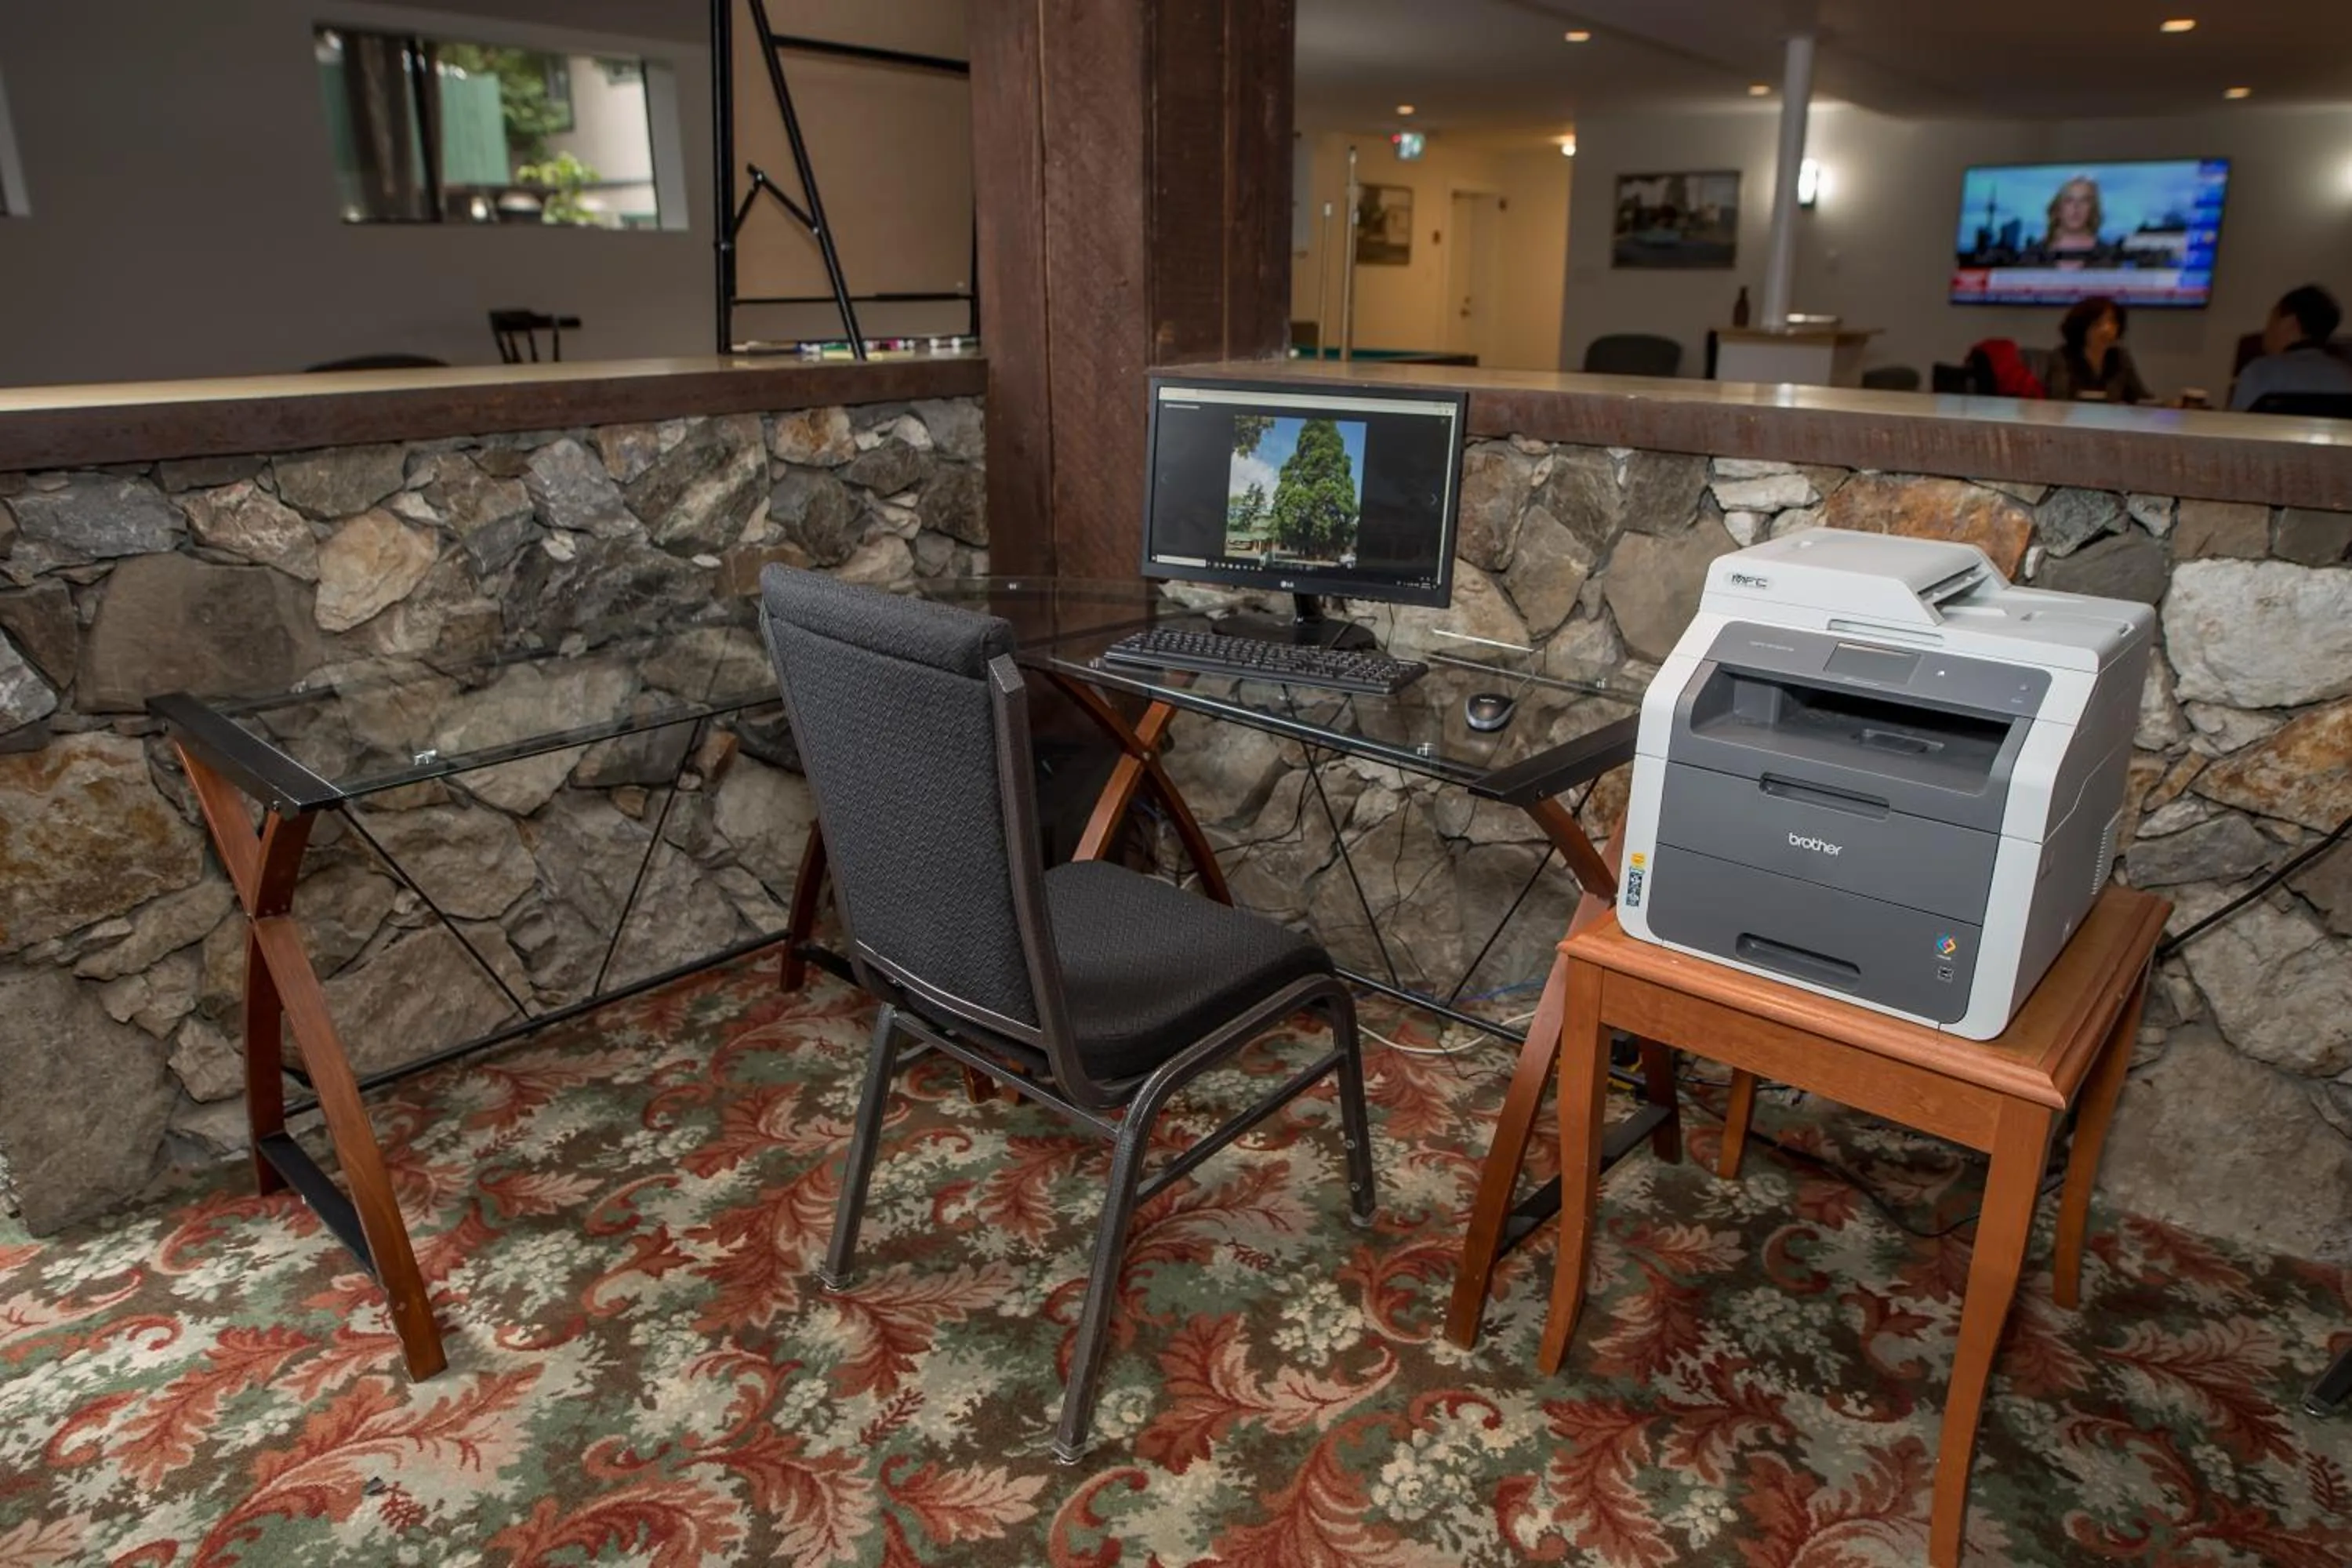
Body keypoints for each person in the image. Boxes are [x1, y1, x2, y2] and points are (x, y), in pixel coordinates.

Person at [2228, 285, 2352, 411]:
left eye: (2272, 320)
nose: (2266, 332)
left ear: (2290, 323)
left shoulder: (2259, 371)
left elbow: (2235, 428)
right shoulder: (2347, 376)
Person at [2044, 296, 2150, 404]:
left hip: (2111, 419)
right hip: (2075, 419)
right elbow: (2059, 400)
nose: (2107, 329)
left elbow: (2141, 398)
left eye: (2112, 322)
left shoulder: (2120, 357)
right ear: (2082, 326)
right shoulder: (2062, 356)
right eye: (2098, 323)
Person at [2036, 176, 2118, 267]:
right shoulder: (2034, 255)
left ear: (2093, 209)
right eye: (2069, 201)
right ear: (2058, 209)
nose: (2076, 207)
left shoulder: (2108, 256)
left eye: (2084, 201)